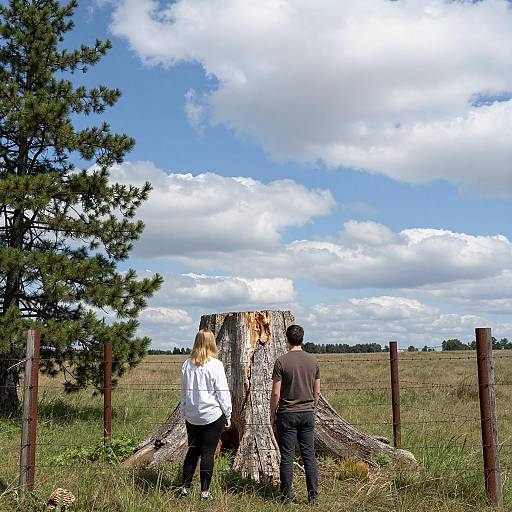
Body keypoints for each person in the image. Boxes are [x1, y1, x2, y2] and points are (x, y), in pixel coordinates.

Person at [271, 324, 321, 505]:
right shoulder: (313, 361)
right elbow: (317, 392)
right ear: (302, 338)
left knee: (287, 456)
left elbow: (276, 392)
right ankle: (313, 497)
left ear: (287, 339)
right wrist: (311, 407)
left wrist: (272, 413)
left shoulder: (281, 361)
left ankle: (285, 498)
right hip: (307, 413)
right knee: (309, 455)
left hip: (287, 414)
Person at [180, 329, 232, 500]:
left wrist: (184, 412)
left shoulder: (187, 364)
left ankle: (185, 489)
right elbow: (222, 392)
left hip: (192, 415)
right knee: (208, 453)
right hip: (212, 415)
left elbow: (184, 392)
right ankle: (204, 493)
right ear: (211, 343)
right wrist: (228, 413)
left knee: (192, 451)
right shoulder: (215, 365)